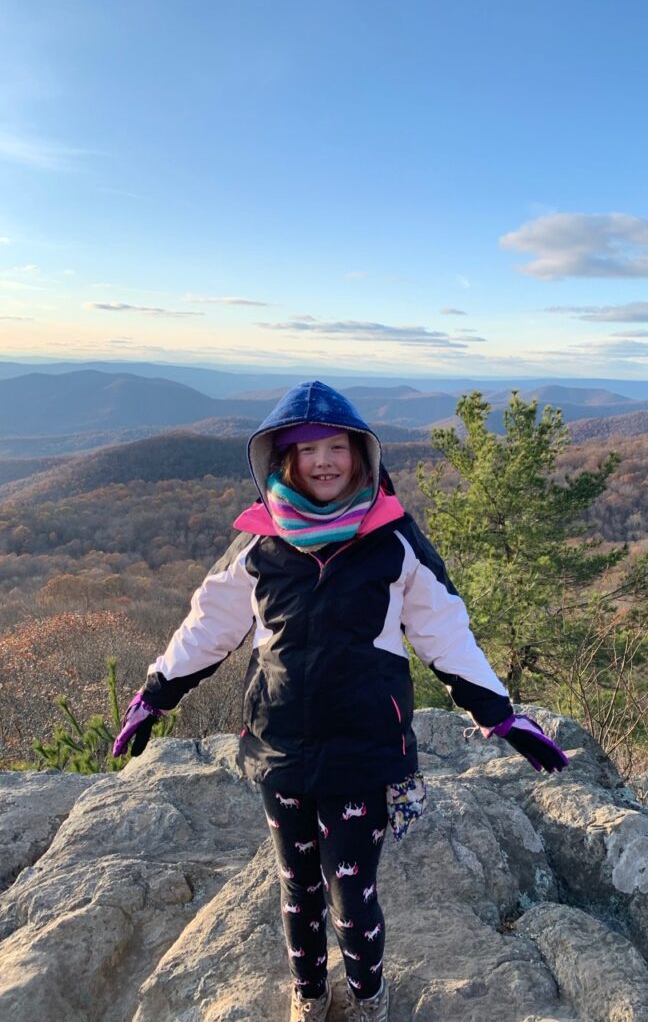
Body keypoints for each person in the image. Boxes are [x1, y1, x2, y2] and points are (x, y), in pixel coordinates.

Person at [113, 380, 568, 1022]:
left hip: (362, 751)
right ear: (284, 461)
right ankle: (307, 993)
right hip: (280, 750)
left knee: (352, 891)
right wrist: (156, 695)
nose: (324, 461)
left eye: (337, 447)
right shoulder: (260, 541)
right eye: (308, 451)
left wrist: (500, 713)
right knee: (296, 886)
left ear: (361, 456)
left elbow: (444, 632)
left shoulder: (394, 539)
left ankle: (368, 997)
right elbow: (209, 626)